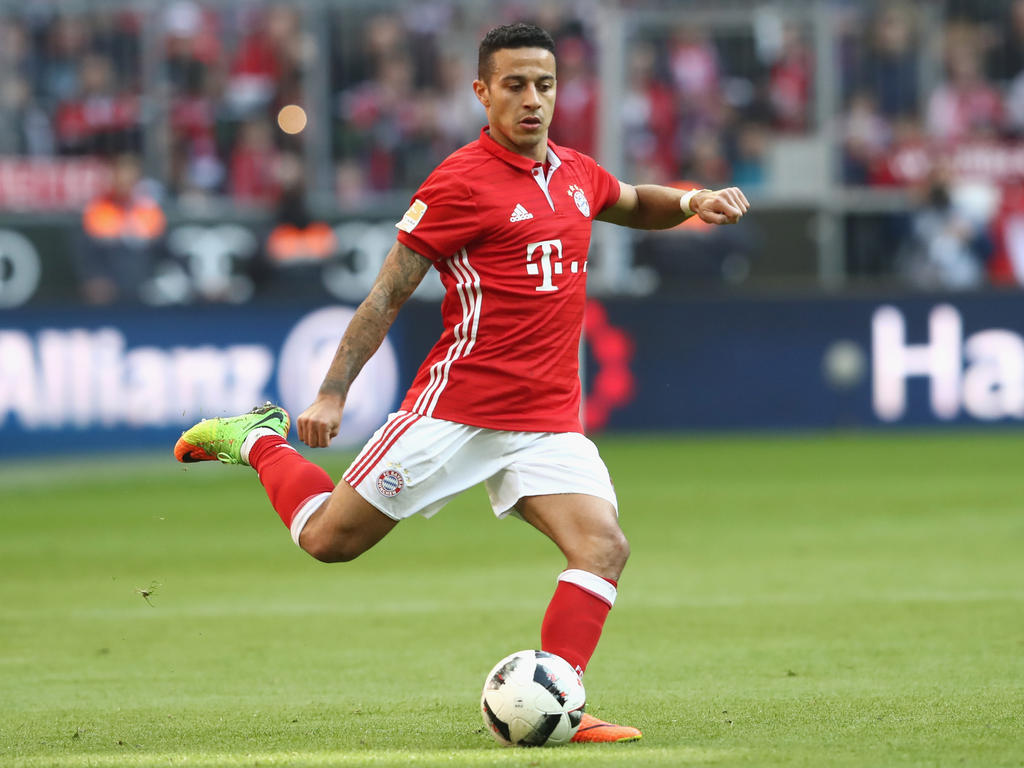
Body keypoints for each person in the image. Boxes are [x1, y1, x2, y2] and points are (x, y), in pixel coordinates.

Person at [174, 22, 749, 743]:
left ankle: (560, 699)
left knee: (603, 548)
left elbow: (633, 201)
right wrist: (333, 392)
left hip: (546, 422)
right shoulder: (459, 182)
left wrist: (691, 202)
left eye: (544, 84)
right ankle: (258, 440)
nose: (532, 99)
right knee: (327, 540)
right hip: (456, 411)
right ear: (482, 92)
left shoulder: (576, 173)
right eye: (515, 85)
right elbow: (387, 293)